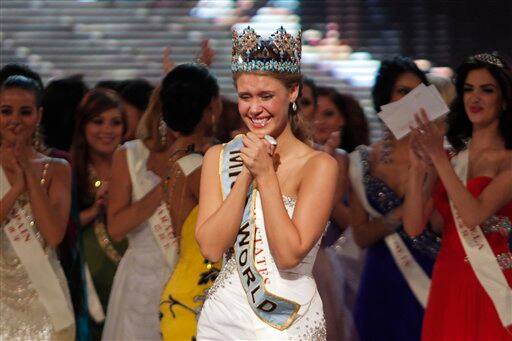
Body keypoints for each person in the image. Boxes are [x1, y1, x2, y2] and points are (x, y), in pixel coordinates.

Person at [196, 26, 338, 340]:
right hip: (223, 320)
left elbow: (289, 255)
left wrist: (265, 175)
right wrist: (246, 172)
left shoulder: (319, 166)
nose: (254, 108)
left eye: (266, 96)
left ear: (293, 93)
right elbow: (210, 247)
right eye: (245, 97)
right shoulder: (219, 158)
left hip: (287, 320)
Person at [403, 53, 512, 340]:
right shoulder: (452, 160)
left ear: (503, 100)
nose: (475, 98)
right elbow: (414, 226)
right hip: (449, 284)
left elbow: (474, 215)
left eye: (486, 90)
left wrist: (438, 159)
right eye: (468, 89)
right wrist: (417, 170)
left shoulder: (508, 161)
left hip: (493, 284)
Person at [349, 56, 439, 341]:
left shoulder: (445, 156)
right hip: (381, 280)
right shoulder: (361, 161)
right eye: (403, 92)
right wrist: (399, 214)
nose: (412, 101)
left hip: (432, 277)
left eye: (418, 93)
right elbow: (361, 236)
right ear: (384, 99)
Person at [0, 75, 75, 339]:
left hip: (46, 301)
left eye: (25, 112)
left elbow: (54, 234)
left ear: (39, 115)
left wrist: (29, 174)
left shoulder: (57, 169)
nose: (15, 120)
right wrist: (16, 189)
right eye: (5, 111)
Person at [157, 63, 222, 341]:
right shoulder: (198, 169)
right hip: (198, 300)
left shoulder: (175, 161)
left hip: (188, 293)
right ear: (210, 108)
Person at [70, 89, 128, 340]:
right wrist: (96, 210)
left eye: (115, 122)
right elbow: (59, 228)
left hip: (131, 273)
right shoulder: (68, 169)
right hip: (87, 280)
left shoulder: (136, 165)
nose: (107, 130)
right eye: (98, 121)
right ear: (83, 124)